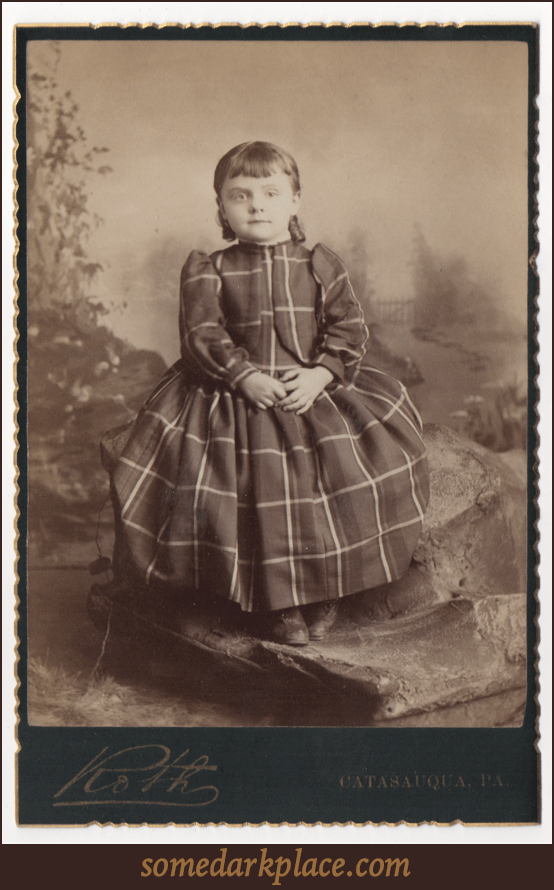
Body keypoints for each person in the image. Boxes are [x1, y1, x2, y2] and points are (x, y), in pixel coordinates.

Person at [108, 141, 429, 646]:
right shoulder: (209, 269)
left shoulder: (320, 264)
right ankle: (269, 605)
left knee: (352, 471)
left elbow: (348, 330)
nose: (256, 205)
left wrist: (322, 374)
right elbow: (202, 335)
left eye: (271, 193)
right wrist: (242, 376)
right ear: (222, 208)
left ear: (295, 201)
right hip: (230, 393)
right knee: (238, 483)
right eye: (240, 195)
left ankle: (326, 591)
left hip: (309, 388)